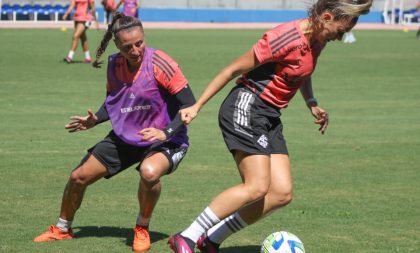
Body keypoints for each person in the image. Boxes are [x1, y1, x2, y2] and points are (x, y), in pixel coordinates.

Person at [167, 0, 372, 252]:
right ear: (327, 17)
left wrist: (311, 102)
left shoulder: (318, 39)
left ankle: (211, 239)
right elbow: (231, 70)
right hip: (246, 106)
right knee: (256, 186)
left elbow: (302, 71)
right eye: (340, 31)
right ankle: (187, 236)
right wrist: (197, 106)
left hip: (269, 115)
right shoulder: (283, 37)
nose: (340, 38)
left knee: (281, 193)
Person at [33, 12, 196, 253]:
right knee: (78, 177)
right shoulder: (114, 64)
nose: (135, 50)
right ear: (117, 45)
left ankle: (142, 227)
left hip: (166, 138)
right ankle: (62, 229)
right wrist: (96, 119)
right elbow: (116, 101)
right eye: (127, 46)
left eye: (139, 43)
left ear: (144, 37)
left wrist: (166, 132)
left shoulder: (161, 62)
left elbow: (189, 104)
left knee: (149, 173)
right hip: (128, 136)